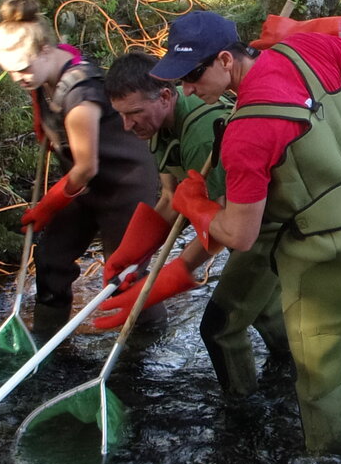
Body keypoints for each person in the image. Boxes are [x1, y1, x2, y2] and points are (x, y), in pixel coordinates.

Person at [142, 10, 341, 454]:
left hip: (326, 254)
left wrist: (193, 203)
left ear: (225, 60)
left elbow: (240, 236)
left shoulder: (246, 131)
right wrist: (310, 29)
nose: (185, 89)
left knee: (319, 380)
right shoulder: (304, 50)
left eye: (191, 76)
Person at [97, 51, 293, 397]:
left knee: (219, 327)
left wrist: (177, 271)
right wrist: (132, 255)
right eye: (121, 116)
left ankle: (242, 410)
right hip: (241, 227)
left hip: (267, 229)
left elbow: (225, 217)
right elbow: (172, 198)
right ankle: (293, 372)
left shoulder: (204, 135)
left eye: (134, 114)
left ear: (166, 96)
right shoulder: (158, 128)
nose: (127, 126)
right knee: (262, 309)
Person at [0, 0, 162, 339]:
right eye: (10, 72)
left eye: (23, 68)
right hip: (83, 187)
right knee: (52, 259)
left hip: (123, 182)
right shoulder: (41, 75)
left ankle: (146, 342)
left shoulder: (81, 94)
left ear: (46, 51)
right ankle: (47, 340)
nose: (19, 78)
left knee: (123, 273)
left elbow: (86, 166)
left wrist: (49, 205)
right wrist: (46, 123)